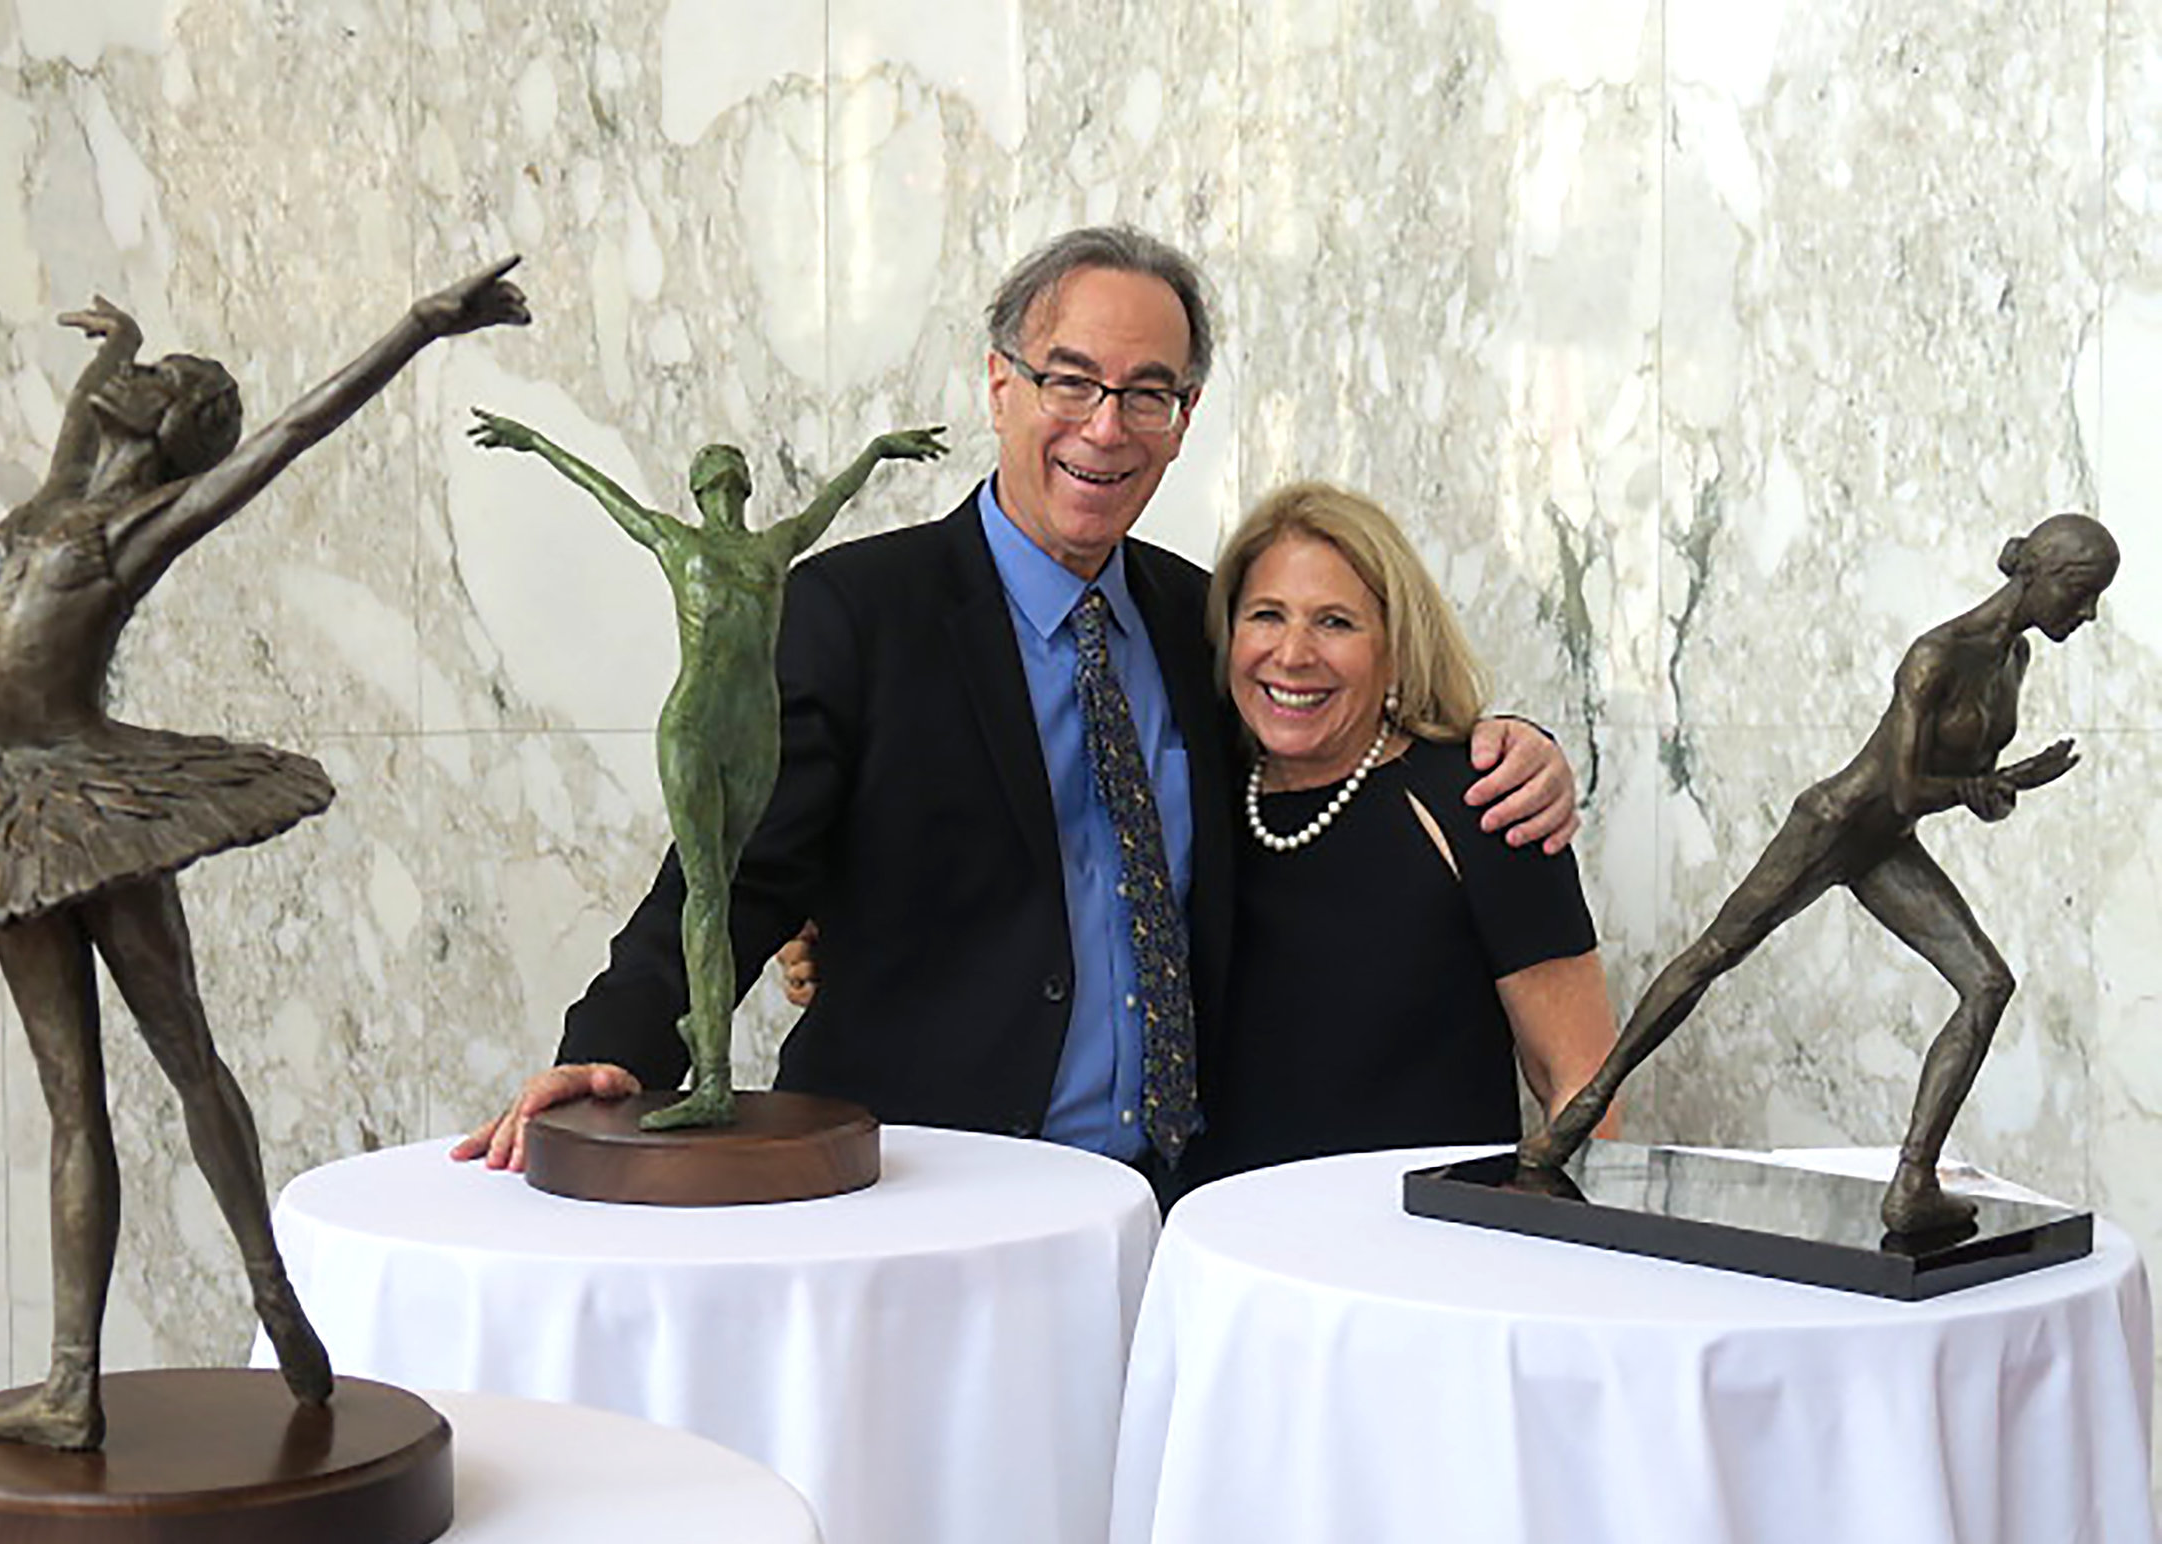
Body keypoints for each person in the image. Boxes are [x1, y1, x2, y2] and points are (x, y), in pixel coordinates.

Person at [452, 227, 1574, 1190]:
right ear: (1000, 385)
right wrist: (608, 1048)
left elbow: (1325, 741)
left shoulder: (1205, 623)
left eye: (1148, 393)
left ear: (1183, 418)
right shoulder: (855, 612)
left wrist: (1510, 744)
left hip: (1171, 1198)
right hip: (933, 1194)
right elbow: (732, 872)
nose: (1105, 425)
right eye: (1071, 380)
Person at [0, 263, 532, 1449]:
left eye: (153, 379)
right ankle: (72, 1383)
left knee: (185, 1050)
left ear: (169, 427)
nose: (127, 381)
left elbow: (294, 432)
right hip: (4, 808)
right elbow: (89, 401)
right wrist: (120, 339)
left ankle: (273, 1293)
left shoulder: (134, 528)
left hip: (97, 805)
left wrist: (415, 326)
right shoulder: (55, 498)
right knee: (71, 1104)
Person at [1523, 514, 2117, 1236]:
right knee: (1716, 953)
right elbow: (1902, 788)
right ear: (2040, 574)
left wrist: (2002, 789)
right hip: (1834, 824)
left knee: (1987, 983)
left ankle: (1912, 1182)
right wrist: (1996, 782)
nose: (2086, 612)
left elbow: (1964, 787)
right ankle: (1580, 1110)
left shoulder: (2013, 662)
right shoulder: (1935, 656)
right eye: (2082, 592)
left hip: (1885, 846)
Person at [463, 418, 949, 1128]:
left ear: (745, 484)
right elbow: (604, 492)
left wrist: (875, 452)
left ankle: (709, 1051)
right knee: (708, 893)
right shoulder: (676, 540)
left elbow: (831, 503)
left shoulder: (775, 546)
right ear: (695, 487)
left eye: (729, 467)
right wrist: (534, 442)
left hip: (755, 730)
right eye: (709, 467)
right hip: (693, 725)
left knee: (724, 886)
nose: (720, 476)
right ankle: (711, 1072)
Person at [1180, 482, 1617, 1185]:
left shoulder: (1485, 802)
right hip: (1231, 1253)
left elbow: (1582, 1080)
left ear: (1394, 645)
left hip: (1428, 1260)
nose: (1292, 653)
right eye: (1266, 615)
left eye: (1335, 622)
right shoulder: (1198, 795)